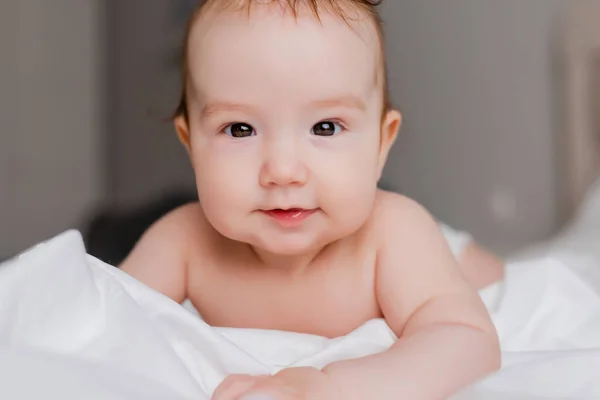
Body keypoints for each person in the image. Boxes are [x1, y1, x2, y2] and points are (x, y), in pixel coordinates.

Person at [120, 1, 501, 399]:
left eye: (325, 127)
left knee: (489, 277)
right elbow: (102, 316)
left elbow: (467, 339)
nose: (283, 171)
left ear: (381, 144)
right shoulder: (182, 241)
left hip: (431, 252)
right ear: (191, 145)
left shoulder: (394, 234)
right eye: (239, 129)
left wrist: (328, 387)